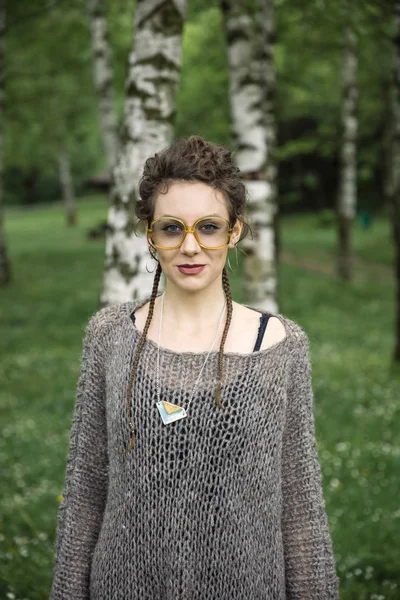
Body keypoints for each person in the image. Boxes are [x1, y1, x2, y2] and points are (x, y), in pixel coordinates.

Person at [50, 136, 339, 600]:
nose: (190, 247)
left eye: (208, 227)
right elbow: (86, 489)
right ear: (149, 233)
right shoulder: (110, 335)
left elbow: (300, 508)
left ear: (234, 231)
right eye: (171, 228)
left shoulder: (281, 347)